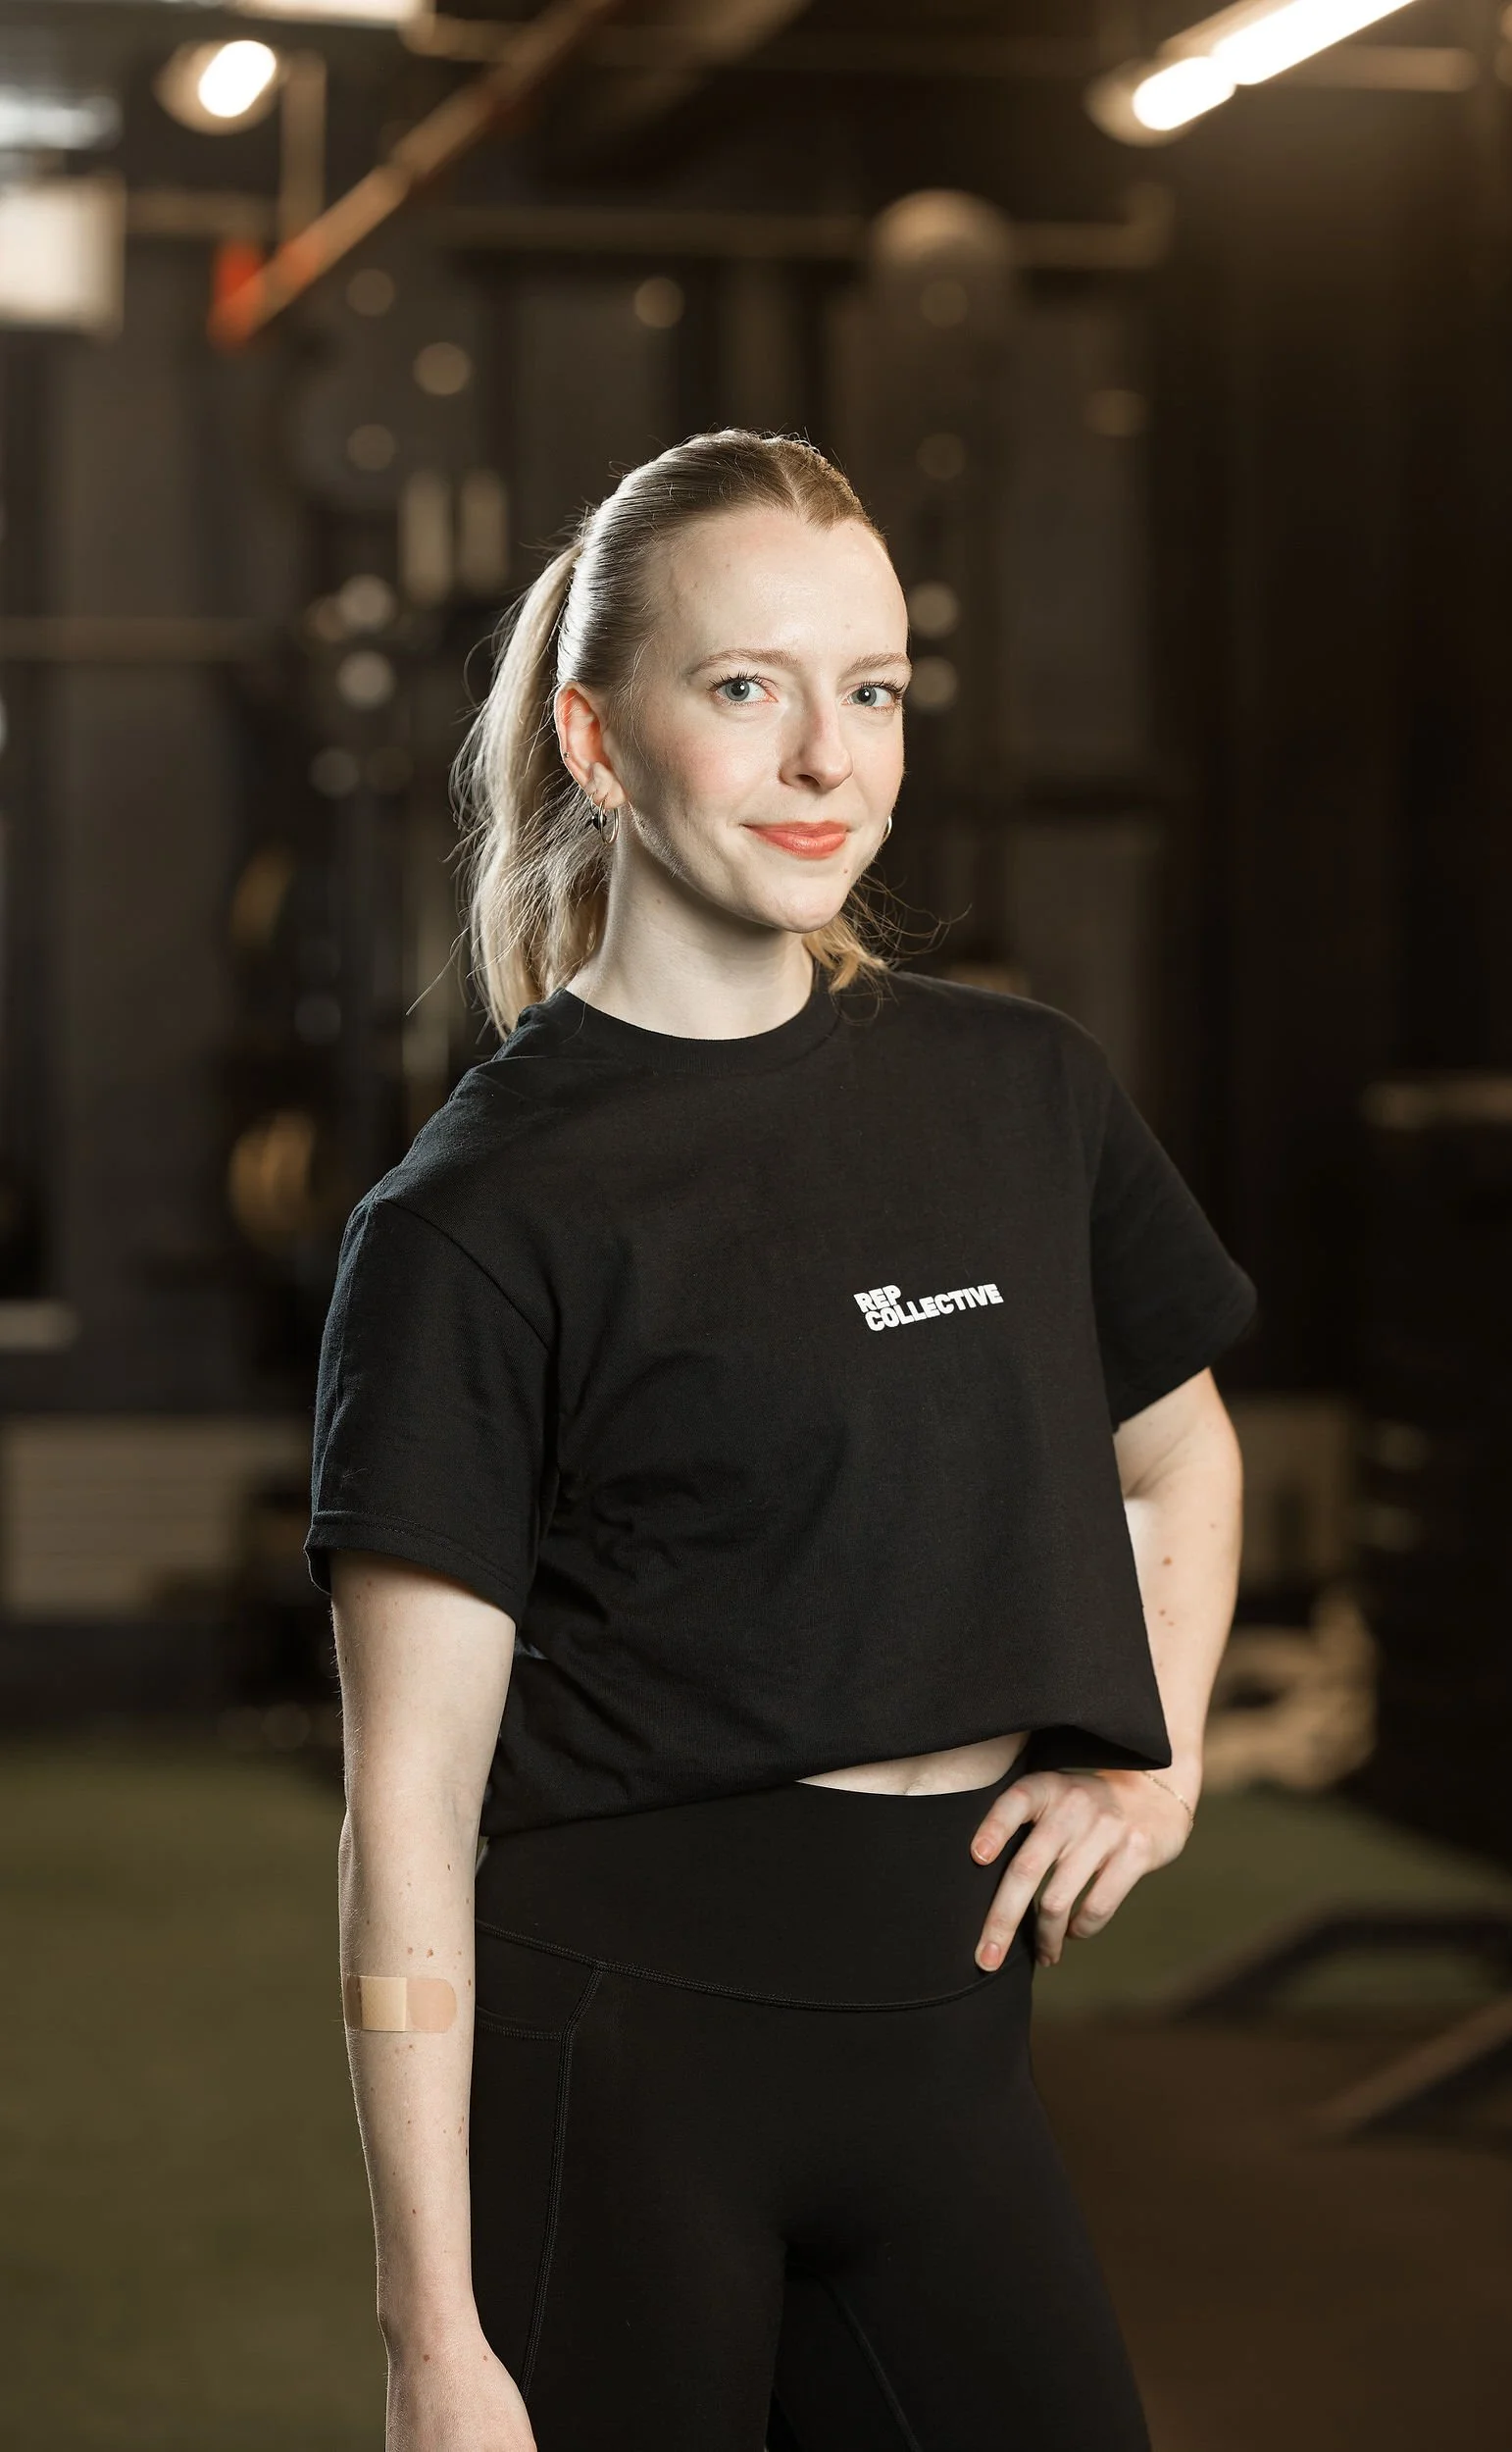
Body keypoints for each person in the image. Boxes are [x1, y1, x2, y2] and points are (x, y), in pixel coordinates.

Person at [309, 429, 1254, 2452]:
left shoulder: (1020, 1094)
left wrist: (1156, 1752)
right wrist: (425, 2333)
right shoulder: (477, 1217)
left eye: (872, 688)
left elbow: (1179, 1457)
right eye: (745, 687)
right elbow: (405, 1801)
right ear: (595, 735)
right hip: (626, 2064)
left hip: (947, 2051)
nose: (827, 757)